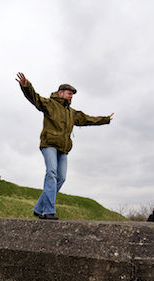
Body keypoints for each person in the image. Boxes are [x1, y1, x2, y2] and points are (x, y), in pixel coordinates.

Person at [15, 72, 114, 220]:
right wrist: (26, 86)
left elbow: (87, 119)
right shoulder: (50, 104)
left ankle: (38, 208)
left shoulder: (71, 113)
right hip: (49, 145)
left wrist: (105, 119)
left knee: (61, 178)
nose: (71, 96)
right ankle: (48, 210)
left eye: (72, 95)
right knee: (52, 173)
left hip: (63, 149)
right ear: (60, 93)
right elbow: (35, 98)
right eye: (69, 94)